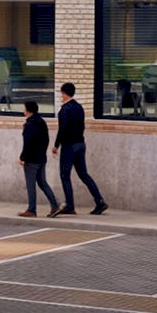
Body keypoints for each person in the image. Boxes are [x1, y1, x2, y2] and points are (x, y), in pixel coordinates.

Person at [53, 82, 107, 216]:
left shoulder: (64, 110)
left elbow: (62, 129)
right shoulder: (79, 107)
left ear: (64, 93)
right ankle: (99, 201)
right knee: (83, 174)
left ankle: (70, 205)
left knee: (65, 175)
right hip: (80, 144)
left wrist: (56, 145)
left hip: (69, 145)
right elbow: (82, 126)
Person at [17, 101, 60, 218]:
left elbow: (28, 143)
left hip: (31, 159)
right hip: (41, 157)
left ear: (28, 110)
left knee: (31, 185)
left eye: (24, 108)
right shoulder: (41, 122)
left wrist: (22, 157)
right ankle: (55, 204)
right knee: (42, 182)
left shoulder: (30, 124)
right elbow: (45, 140)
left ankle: (31, 209)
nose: (23, 110)